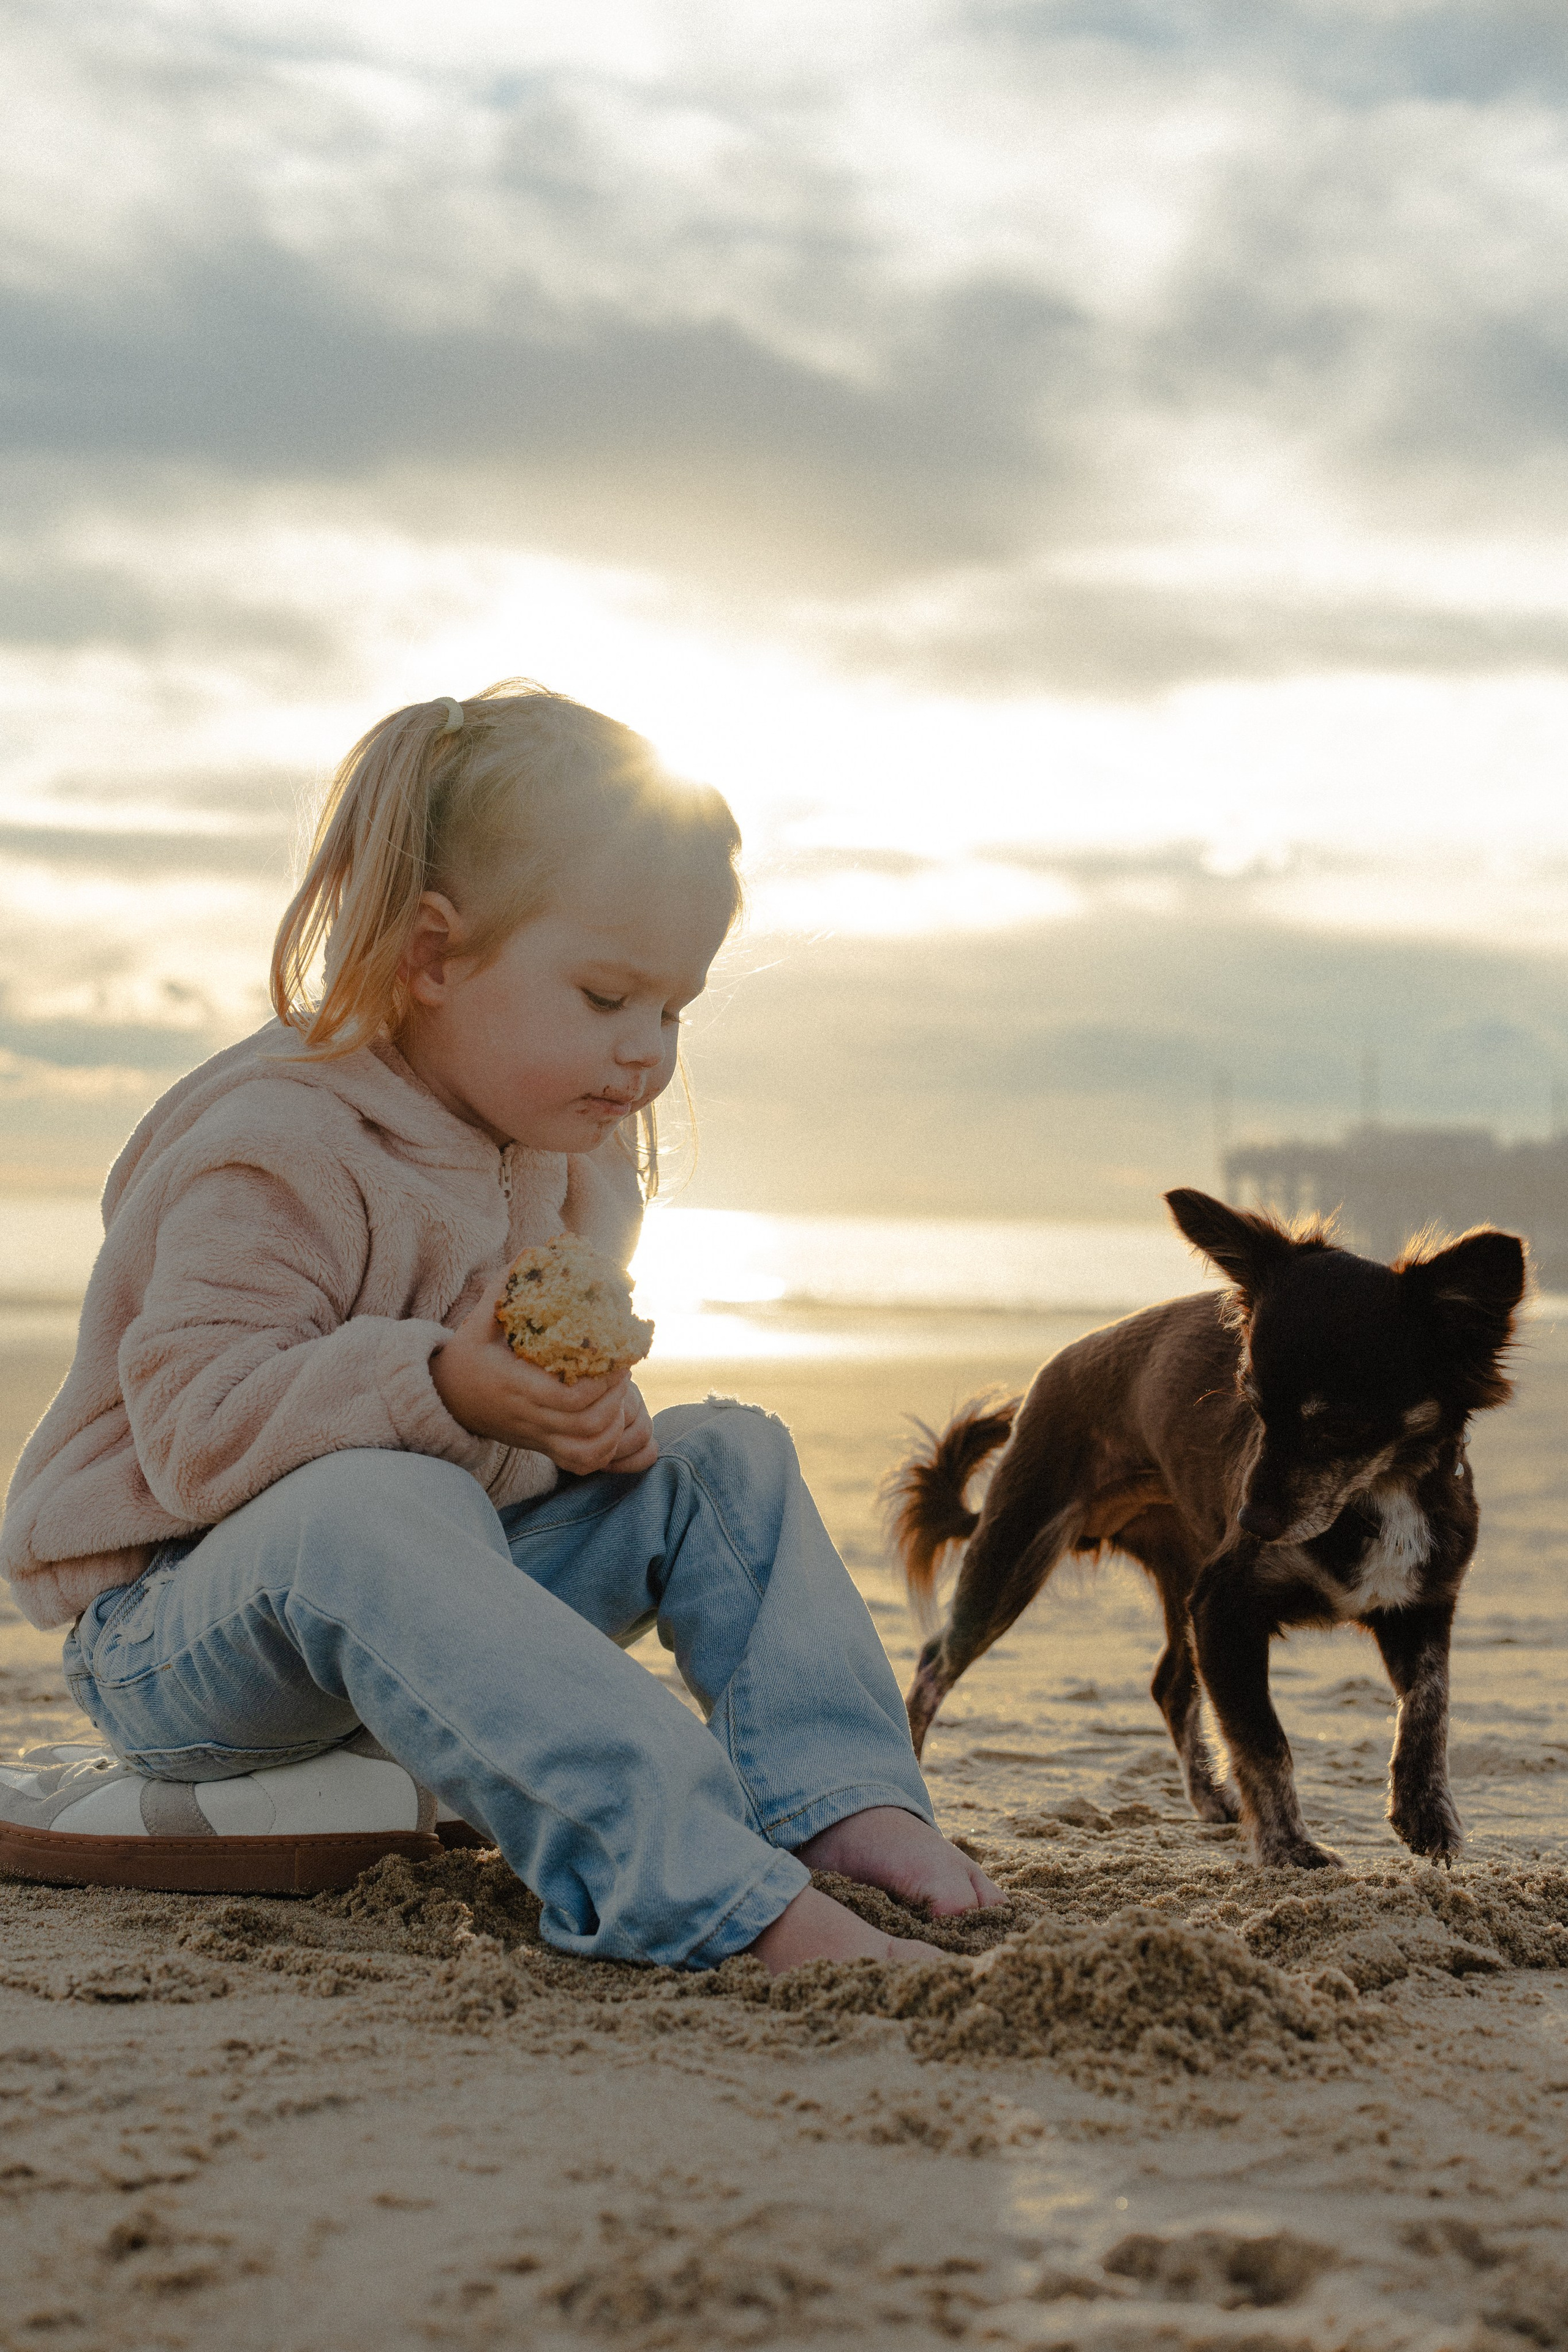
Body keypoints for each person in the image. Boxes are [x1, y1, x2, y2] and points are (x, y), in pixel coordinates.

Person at [1, 683, 1000, 1972]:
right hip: (187, 1638)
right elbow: (199, 1435)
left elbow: (493, 1440)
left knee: (725, 1457)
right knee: (374, 1500)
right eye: (605, 996)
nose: (647, 1054)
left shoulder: (566, 1156)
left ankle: (841, 1804)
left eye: (674, 1011)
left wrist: (566, 1430)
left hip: (430, 1609)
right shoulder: (277, 1146)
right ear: (432, 958)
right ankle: (699, 1890)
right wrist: (442, 1386)